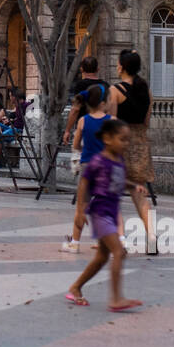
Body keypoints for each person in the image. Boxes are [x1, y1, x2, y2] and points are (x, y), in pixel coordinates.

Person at [66, 119, 143, 311]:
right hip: (100, 212)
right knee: (119, 252)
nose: (126, 143)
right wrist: (82, 209)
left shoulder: (119, 160)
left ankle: (75, 287)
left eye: (127, 140)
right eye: (122, 139)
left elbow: (119, 180)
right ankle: (116, 299)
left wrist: (134, 186)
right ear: (107, 139)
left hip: (111, 211)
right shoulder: (98, 161)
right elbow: (84, 183)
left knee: (101, 257)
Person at [106, 50, 156, 253]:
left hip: (121, 145)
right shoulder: (146, 90)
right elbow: (146, 121)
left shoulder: (115, 90)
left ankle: (117, 238)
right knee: (139, 193)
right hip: (141, 144)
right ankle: (151, 235)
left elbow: (112, 121)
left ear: (122, 67)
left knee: (111, 193)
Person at [62, 84, 110, 253]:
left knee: (81, 206)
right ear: (104, 102)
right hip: (105, 167)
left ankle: (75, 242)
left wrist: (85, 149)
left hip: (87, 166)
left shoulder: (83, 121)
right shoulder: (110, 120)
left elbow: (76, 144)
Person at [62, 56, 106, 145]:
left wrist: (67, 130)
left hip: (85, 128)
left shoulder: (80, 85)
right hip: (103, 128)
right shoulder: (105, 86)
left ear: (81, 69)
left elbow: (75, 109)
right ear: (98, 69)